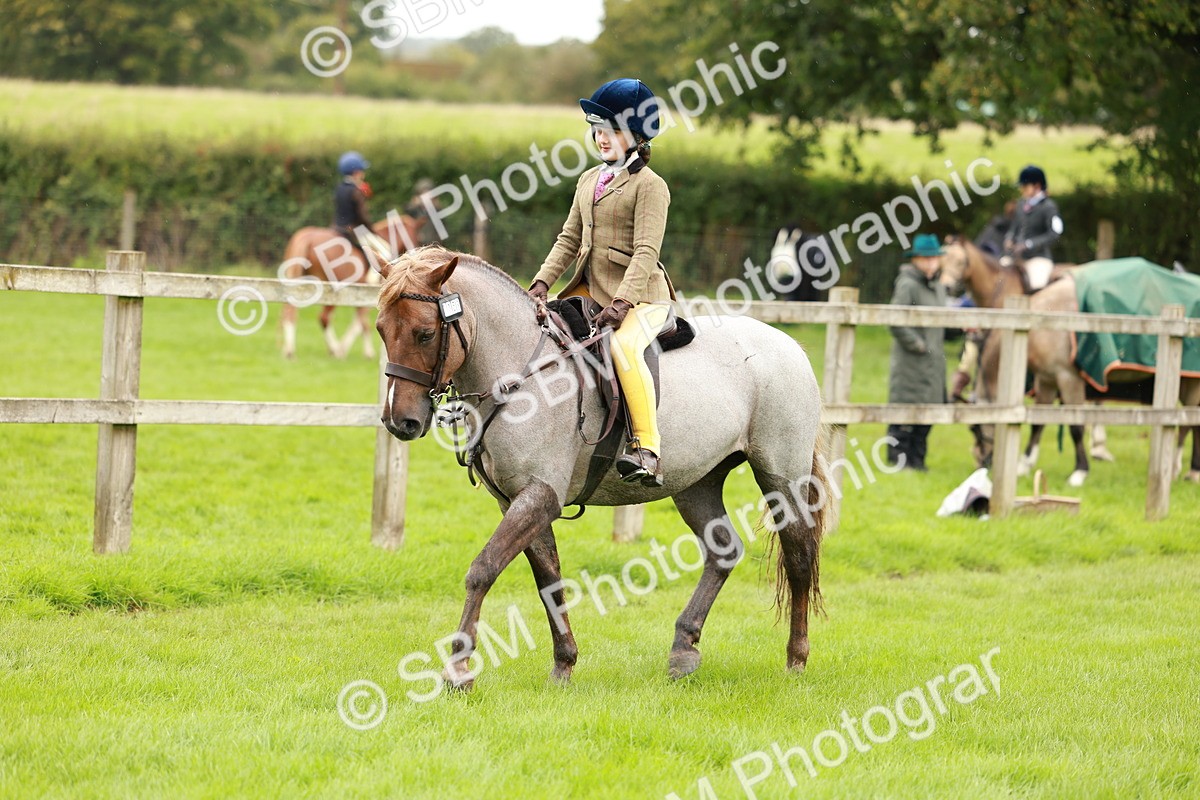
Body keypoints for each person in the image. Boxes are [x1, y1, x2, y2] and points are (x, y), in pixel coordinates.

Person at [527, 78, 675, 487]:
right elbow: (568, 239)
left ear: (636, 135)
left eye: (610, 129)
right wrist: (541, 281)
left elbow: (646, 252)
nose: (600, 137)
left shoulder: (651, 187)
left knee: (624, 348)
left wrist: (623, 303)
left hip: (642, 298)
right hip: (590, 292)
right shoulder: (589, 180)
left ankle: (646, 448)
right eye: (596, 128)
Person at [887, 233, 948, 471]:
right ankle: (898, 461)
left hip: (934, 365)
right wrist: (918, 345)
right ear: (915, 260)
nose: (930, 263)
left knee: (927, 416)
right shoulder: (907, 284)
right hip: (911, 363)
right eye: (925, 259)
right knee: (904, 412)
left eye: (934, 259)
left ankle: (918, 462)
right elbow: (895, 320)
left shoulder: (940, 288)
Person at [1003, 165, 1063, 291]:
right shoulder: (1021, 204)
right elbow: (1014, 228)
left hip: (1038, 258)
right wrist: (1009, 239)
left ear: (1037, 186)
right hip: (1017, 257)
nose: (1021, 189)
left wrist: (1029, 244)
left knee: (1037, 283)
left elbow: (1055, 233)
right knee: (998, 276)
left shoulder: (1049, 207)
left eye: (1025, 186)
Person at [333, 151, 372, 258]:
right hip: (353, 231)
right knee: (382, 251)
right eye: (362, 171)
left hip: (336, 227)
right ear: (356, 172)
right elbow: (363, 217)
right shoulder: (355, 191)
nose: (363, 174)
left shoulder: (339, 188)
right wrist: (372, 230)